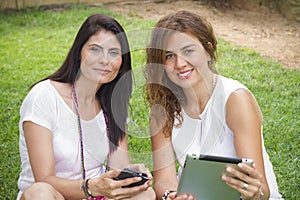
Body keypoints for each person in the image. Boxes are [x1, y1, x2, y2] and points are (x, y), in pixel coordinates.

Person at [144, 11, 282, 200]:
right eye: (169, 55)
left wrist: (253, 194)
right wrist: (171, 196)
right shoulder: (162, 111)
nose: (180, 63)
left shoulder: (235, 100)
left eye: (188, 51)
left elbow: (262, 190)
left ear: (208, 50)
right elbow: (163, 180)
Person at [17, 13, 155, 200]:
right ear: (79, 53)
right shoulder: (44, 97)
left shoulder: (111, 105)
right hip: (53, 195)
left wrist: (130, 174)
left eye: (113, 53)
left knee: (145, 194)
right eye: (95, 50)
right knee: (40, 192)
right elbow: (44, 179)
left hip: (95, 196)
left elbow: (117, 167)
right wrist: (92, 187)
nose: (105, 60)